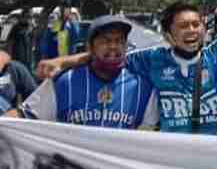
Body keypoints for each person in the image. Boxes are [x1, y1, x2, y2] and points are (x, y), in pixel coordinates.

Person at [38, 2, 217, 134]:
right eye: (183, 26)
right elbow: (109, 56)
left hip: (210, 154)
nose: (192, 30)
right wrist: (63, 62)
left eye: (196, 24)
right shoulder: (151, 58)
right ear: (169, 34)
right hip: (172, 159)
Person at [7, 14, 158, 129]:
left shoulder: (141, 88)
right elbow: (25, 115)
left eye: (119, 41)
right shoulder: (64, 82)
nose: (113, 46)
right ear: (90, 47)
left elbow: (153, 134)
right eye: (105, 41)